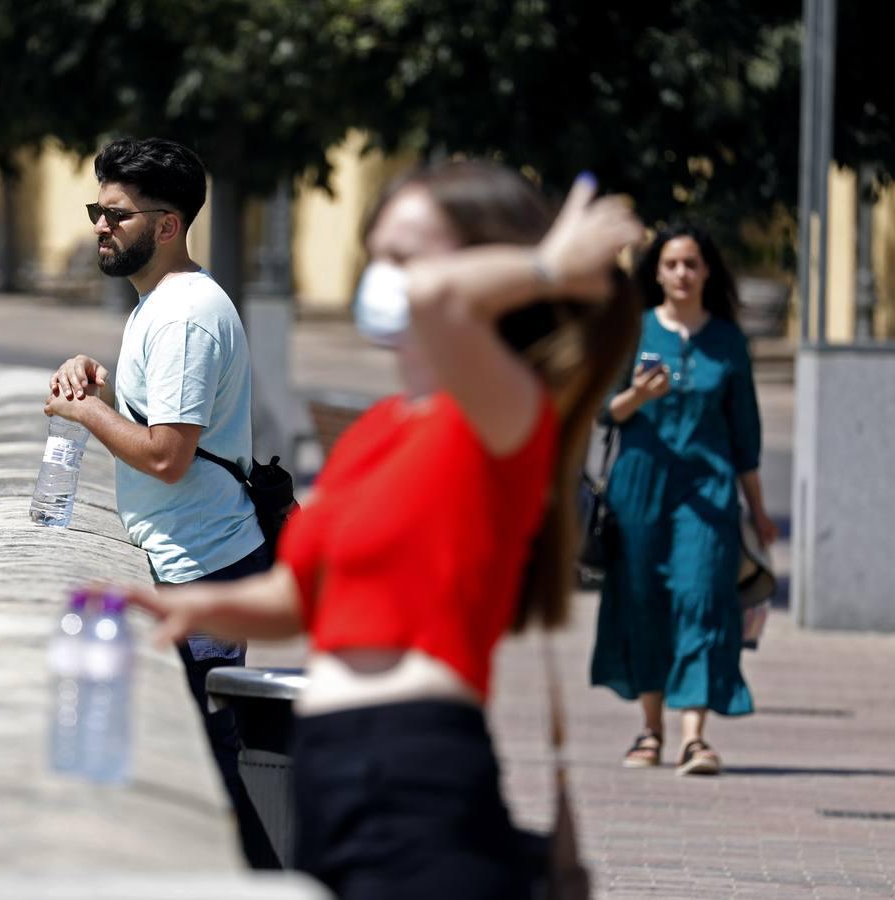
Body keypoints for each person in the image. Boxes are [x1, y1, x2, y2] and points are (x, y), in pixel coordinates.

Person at [115, 161, 643, 899]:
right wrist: (193, 609)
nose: (389, 278)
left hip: (414, 763)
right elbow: (304, 599)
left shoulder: (503, 417)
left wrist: (547, 264)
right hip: (330, 766)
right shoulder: (381, 431)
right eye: (379, 256)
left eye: (406, 255)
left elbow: (438, 299)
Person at [44, 137, 277, 867]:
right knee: (199, 764)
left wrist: (83, 416)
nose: (100, 227)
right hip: (191, 561)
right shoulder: (164, 304)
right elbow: (161, 429)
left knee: (207, 775)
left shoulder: (183, 316)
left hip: (200, 571)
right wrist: (103, 389)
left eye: (115, 214)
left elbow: (167, 458)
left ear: (168, 224)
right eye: (96, 210)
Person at [590, 223, 777, 776]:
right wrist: (635, 397)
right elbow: (603, 411)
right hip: (640, 487)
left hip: (708, 491)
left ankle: (694, 737)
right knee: (643, 600)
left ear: (707, 271)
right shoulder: (634, 331)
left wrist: (759, 510)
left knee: (701, 598)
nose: (681, 274)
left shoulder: (727, 342)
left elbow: (746, 434)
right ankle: (650, 729)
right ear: (656, 272)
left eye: (691, 263)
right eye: (670, 264)